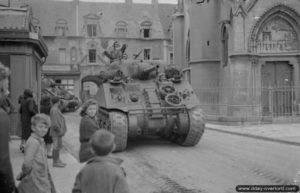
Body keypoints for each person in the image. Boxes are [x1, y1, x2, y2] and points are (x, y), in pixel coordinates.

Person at [17, 114, 56, 193]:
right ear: (33, 128)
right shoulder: (33, 142)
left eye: (46, 127)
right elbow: (27, 163)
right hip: (35, 179)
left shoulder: (40, 141)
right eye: (40, 127)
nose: (43, 130)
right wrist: (24, 174)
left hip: (41, 177)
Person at [0, 63, 16, 193]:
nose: (7, 92)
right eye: (3, 89)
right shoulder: (1, 116)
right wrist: (11, 187)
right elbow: (3, 162)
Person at [50, 96, 67, 167]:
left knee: (58, 146)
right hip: (56, 132)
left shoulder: (56, 109)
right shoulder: (54, 110)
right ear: (58, 102)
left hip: (58, 132)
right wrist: (60, 130)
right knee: (56, 147)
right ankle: (55, 162)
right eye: (60, 101)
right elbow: (54, 123)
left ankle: (58, 160)